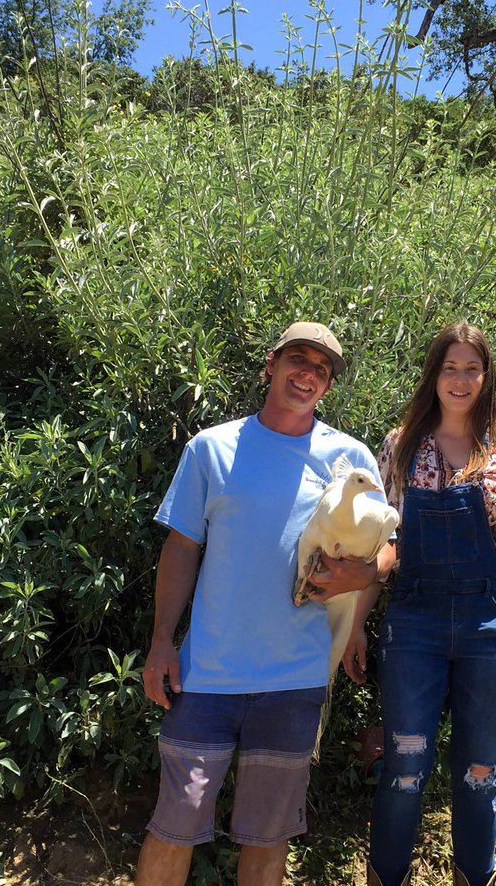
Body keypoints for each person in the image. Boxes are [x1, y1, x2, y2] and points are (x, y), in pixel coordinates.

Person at [136, 322, 397, 886]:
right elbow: (181, 549)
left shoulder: (347, 456)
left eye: (321, 370)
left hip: (295, 678)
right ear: (271, 364)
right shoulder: (211, 447)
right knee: (172, 827)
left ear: (327, 386)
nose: (307, 375)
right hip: (207, 675)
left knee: (268, 838)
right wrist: (161, 643)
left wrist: (363, 576)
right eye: (298, 360)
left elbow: (389, 548)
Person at [344, 322, 496, 886]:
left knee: (480, 773)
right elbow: (385, 541)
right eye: (449, 367)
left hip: (493, 623)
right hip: (415, 621)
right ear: (433, 374)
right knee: (403, 767)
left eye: (472, 368)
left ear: (486, 377)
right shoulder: (400, 444)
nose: (460, 379)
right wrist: (358, 624)